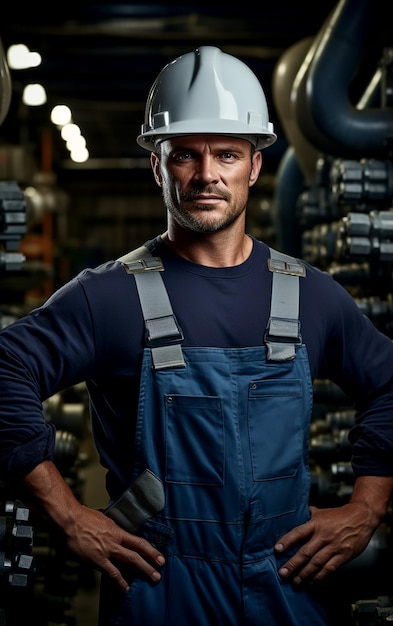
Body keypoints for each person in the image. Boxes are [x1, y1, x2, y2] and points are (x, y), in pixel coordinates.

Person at [1, 45, 393, 626]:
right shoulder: (107, 298)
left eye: (227, 154)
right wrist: (67, 515)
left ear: (255, 166)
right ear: (159, 165)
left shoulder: (312, 295)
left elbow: (388, 381)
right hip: (160, 586)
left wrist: (366, 508)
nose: (207, 174)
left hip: (288, 585)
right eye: (185, 154)